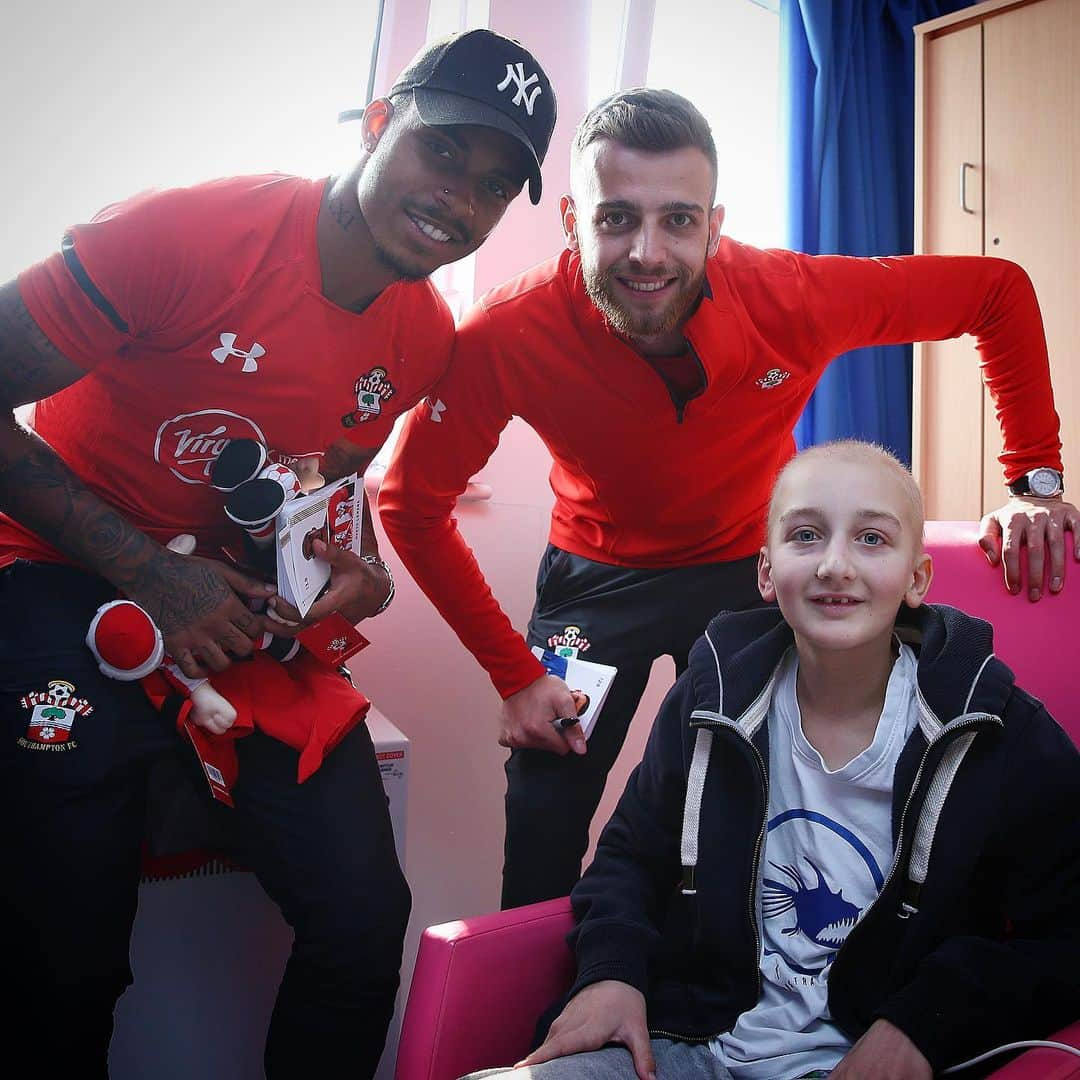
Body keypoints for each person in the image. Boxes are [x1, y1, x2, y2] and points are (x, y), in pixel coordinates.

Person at [0, 27, 556, 1078]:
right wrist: (149, 573)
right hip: (58, 569)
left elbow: (323, 487)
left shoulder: (420, 338)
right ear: (381, 121)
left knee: (361, 914)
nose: (459, 201)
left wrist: (360, 565)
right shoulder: (185, 235)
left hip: (231, 604)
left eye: (492, 186)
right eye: (445, 153)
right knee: (60, 944)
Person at [377, 87, 1080, 909]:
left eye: (678, 220)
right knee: (544, 804)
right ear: (573, 220)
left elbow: (997, 291)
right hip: (596, 583)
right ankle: (546, 1031)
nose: (647, 252)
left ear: (714, 225)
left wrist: (1035, 481)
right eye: (616, 219)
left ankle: (731, 1007)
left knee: (762, 804)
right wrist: (513, 674)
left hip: (746, 574)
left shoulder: (791, 295)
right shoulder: (506, 330)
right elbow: (409, 505)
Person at [460, 439, 1080, 1080]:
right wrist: (610, 974)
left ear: (916, 578)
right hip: (692, 1042)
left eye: (872, 540)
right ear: (765, 571)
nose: (835, 566)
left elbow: (1066, 933)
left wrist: (925, 1024)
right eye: (806, 535)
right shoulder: (709, 697)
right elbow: (628, 859)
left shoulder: (996, 724)